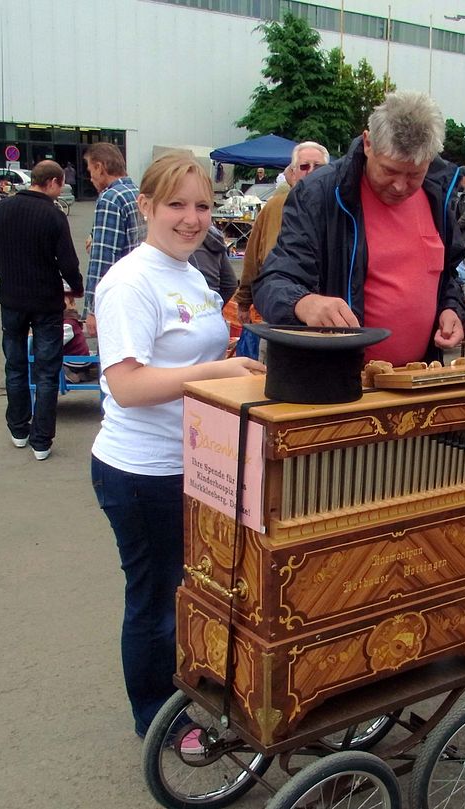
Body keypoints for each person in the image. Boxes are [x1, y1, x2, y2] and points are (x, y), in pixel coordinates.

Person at [90, 152, 265, 738]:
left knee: (196, 590)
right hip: (141, 470)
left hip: (195, 461)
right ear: (145, 207)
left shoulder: (188, 272)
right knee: (155, 600)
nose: (193, 219)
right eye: (177, 205)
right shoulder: (130, 282)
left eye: (203, 206)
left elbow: (190, 358)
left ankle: (193, 688)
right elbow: (128, 384)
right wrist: (219, 376)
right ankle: (155, 723)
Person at [252, 91, 465, 367]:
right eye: (389, 170)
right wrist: (305, 303)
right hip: (336, 382)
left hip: (415, 382)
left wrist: (451, 308)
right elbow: (272, 282)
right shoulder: (320, 194)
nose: (401, 186)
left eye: (414, 174)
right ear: (367, 143)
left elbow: (448, 275)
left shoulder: (438, 196)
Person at [0, 160, 83, 460]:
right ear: (55, 182)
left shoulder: (2, 209)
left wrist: (6, 273)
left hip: (11, 299)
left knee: (15, 365)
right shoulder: (53, 215)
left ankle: (18, 429)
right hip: (46, 302)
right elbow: (68, 262)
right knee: (47, 370)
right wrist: (77, 286)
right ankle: (42, 441)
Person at [233, 140, 330, 326]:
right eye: (304, 166)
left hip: (326, 317)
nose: (311, 171)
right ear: (292, 174)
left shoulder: (340, 209)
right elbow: (253, 257)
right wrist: (244, 301)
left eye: (318, 166)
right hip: (279, 314)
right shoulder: (274, 207)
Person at [83, 142, 145, 336]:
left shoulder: (110, 198)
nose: (90, 177)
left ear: (100, 167)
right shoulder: (136, 193)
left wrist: (93, 310)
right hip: (139, 292)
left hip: (116, 299)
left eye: (90, 169)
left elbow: (102, 259)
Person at [189, 225, 238, 304]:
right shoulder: (213, 237)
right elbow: (230, 284)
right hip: (210, 308)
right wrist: (215, 307)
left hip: (188, 309)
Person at [62, 284, 97, 383]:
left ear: (71, 304)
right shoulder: (71, 320)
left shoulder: (68, 324)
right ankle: (80, 374)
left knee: (48, 357)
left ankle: (69, 375)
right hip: (81, 360)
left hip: (75, 361)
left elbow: (56, 343)